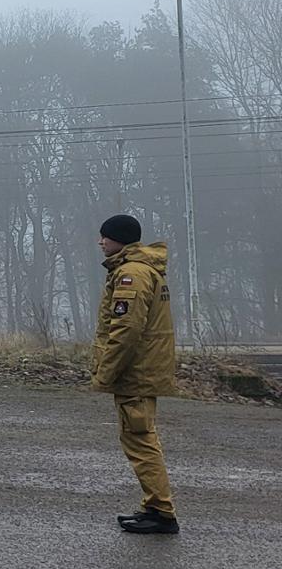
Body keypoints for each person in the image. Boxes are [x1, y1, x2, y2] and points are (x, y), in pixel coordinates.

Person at [93, 214, 180, 535]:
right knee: (138, 437)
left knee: (141, 439)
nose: (100, 242)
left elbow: (126, 329)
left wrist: (106, 372)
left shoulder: (131, 274)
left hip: (136, 372)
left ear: (120, 239)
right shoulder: (137, 270)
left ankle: (161, 510)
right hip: (140, 369)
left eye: (105, 237)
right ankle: (154, 505)